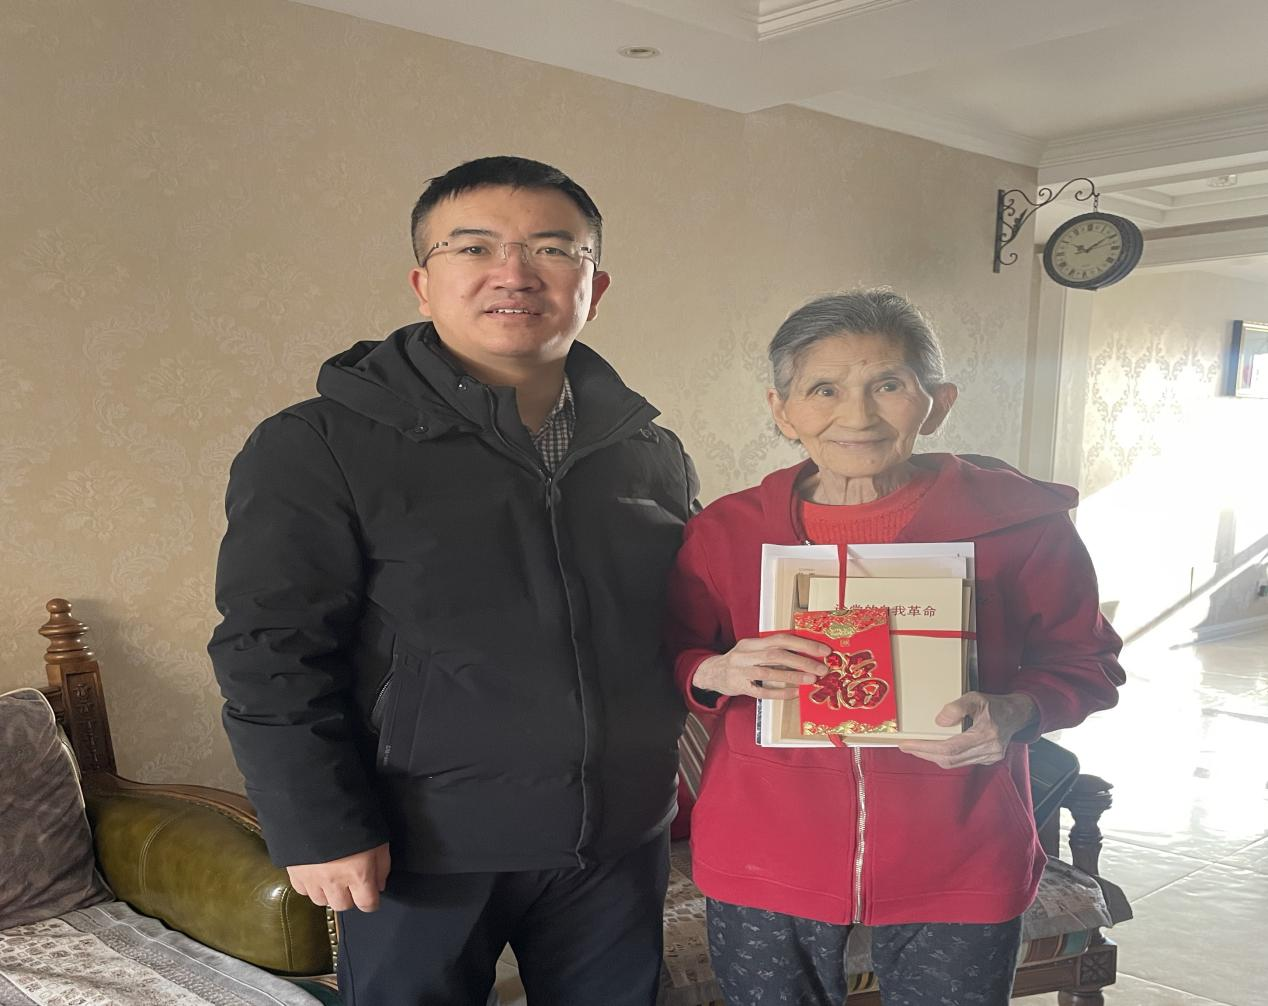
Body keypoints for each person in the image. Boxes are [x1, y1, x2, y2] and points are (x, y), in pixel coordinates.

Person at [209, 156, 698, 1006]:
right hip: (420, 846)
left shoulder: (648, 452)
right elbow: (268, 649)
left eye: (553, 249)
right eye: (474, 248)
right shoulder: (317, 444)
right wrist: (318, 825)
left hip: (619, 840)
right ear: (423, 284)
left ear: (594, 285)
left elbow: (683, 624)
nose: (515, 273)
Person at [665, 289, 1124, 1005]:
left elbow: (1088, 664)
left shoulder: (1022, 524)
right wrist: (716, 670)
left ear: (936, 403)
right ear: (782, 409)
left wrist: (1016, 711)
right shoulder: (726, 531)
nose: (857, 415)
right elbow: (673, 655)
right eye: (823, 389)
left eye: (888, 385)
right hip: (764, 850)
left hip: (959, 850)